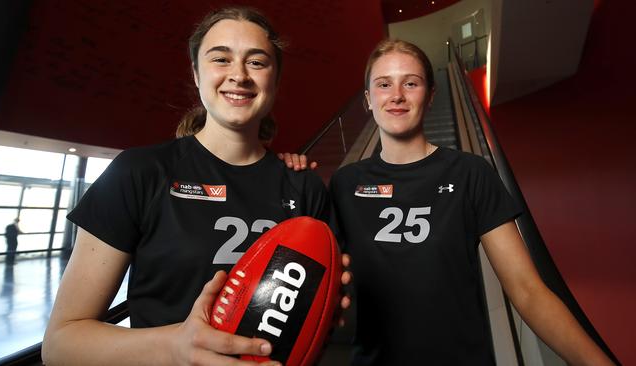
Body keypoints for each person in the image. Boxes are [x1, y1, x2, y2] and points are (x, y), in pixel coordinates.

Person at [42, 7, 349, 365]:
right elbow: (61, 345)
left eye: (257, 62)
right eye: (221, 58)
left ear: (276, 80)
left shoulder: (304, 188)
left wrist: (323, 309)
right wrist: (176, 346)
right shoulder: (140, 172)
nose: (239, 75)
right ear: (196, 72)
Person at [284, 39, 612, 365]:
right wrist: (284, 174)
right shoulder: (346, 183)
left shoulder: (471, 173)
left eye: (410, 83)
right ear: (369, 100)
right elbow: (311, 279)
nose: (396, 95)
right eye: (384, 84)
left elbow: (527, 291)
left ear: (430, 96)